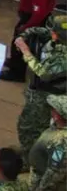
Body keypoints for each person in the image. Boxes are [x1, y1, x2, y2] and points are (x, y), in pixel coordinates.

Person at [12, 15, 67, 152]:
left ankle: (29, 156)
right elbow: (41, 31)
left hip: (47, 97)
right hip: (39, 92)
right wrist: (25, 35)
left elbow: (44, 73)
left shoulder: (64, 57)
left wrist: (25, 50)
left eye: (54, 32)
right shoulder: (58, 37)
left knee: (31, 128)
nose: (51, 33)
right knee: (26, 125)